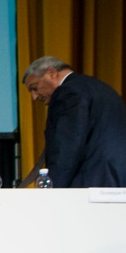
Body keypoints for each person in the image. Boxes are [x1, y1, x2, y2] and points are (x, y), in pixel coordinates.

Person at [22, 56, 126, 188]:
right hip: (117, 176)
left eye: (34, 87)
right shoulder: (98, 87)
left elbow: (67, 146)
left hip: (93, 181)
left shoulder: (68, 92)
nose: (34, 96)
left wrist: (54, 188)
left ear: (51, 73)